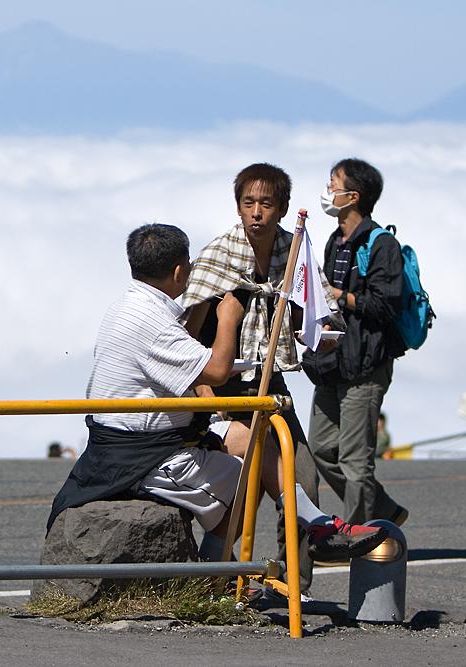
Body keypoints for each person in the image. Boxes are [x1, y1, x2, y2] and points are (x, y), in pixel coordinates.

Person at [46, 223, 389, 568]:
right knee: (245, 481)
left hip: (141, 441)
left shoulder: (128, 307)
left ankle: (315, 525)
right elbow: (217, 369)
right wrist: (227, 318)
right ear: (180, 271)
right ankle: (213, 575)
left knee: (252, 435)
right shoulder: (153, 322)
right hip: (145, 457)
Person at [181, 163, 342, 593]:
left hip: (271, 384)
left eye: (266, 204)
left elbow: (319, 318)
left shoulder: (295, 253)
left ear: (283, 208)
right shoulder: (218, 255)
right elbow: (187, 337)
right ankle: (211, 579)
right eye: (248, 203)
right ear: (237, 207)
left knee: (303, 477)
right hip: (223, 387)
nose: (257, 212)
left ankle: (294, 586)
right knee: (244, 489)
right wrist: (206, 396)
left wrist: (321, 337)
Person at [303, 158, 409, 527]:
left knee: (354, 459)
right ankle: (380, 509)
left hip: (366, 365)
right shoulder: (336, 240)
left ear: (353, 196)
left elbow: (386, 304)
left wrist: (339, 295)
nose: (328, 191)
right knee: (320, 447)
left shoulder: (381, 245)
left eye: (333, 184)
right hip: (333, 362)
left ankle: (360, 536)